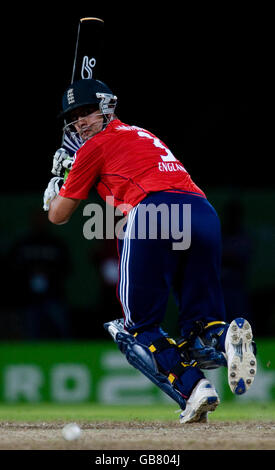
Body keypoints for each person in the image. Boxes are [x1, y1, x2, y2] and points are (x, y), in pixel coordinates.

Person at [43, 78, 257, 423]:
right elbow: (119, 173)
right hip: (202, 211)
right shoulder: (141, 133)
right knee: (200, 322)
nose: (80, 122)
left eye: (86, 113)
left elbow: (59, 215)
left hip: (153, 211)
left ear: (105, 107)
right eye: (74, 117)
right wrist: (74, 168)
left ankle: (194, 387)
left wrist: (56, 186)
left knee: (138, 327)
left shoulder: (91, 148)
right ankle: (226, 342)